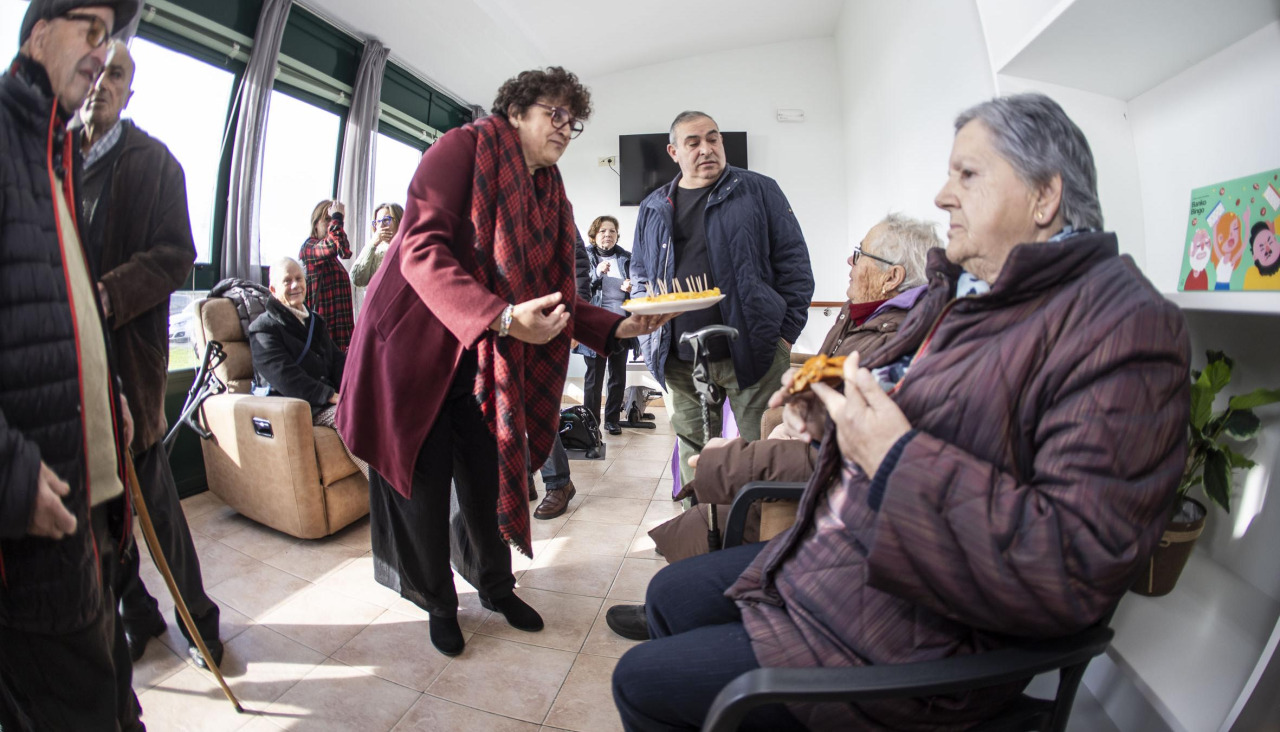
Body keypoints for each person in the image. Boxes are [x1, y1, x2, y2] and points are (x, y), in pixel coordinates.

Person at [611, 93, 1191, 732]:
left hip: (913, 624)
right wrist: (830, 415)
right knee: (669, 594)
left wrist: (893, 456)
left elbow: (1067, 569)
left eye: (967, 175)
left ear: (1044, 196)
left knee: (639, 680)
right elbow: (927, 419)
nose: (943, 196)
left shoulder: (1123, 329)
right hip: (850, 554)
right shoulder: (969, 298)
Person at [336, 67, 673, 658]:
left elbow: (551, 292)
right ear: (516, 112)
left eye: (574, 120)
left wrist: (615, 325)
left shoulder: (549, 190)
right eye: (554, 114)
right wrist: (503, 317)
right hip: (415, 351)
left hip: (485, 358)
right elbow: (420, 250)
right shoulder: (460, 149)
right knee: (422, 487)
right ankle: (438, 603)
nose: (565, 128)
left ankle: (494, 586)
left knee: (488, 479)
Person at [609, 214, 936, 624]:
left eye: (860, 254)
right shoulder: (862, 318)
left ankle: (685, 610)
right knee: (705, 518)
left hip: (824, 491)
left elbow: (846, 450)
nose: (849, 262)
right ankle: (685, 595)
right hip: (806, 454)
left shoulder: (899, 341)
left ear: (893, 277)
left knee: (717, 505)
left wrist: (732, 460)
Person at [0, 1, 145, 729]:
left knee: (113, 693)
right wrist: (7, 473)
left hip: (92, 501)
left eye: (109, 37)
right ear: (37, 31)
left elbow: (57, 303)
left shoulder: (55, 153)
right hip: (33, 520)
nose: (101, 50)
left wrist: (107, 392)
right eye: (89, 27)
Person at [76, 39, 225, 671]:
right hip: (67, 372)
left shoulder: (156, 163)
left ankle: (199, 622)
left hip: (128, 368)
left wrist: (106, 295)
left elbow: (176, 254)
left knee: (156, 507)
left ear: (128, 91)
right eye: (92, 72)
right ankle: (136, 613)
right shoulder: (51, 162)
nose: (100, 84)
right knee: (99, 513)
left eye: (114, 74)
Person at [631, 110, 814, 485]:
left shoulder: (759, 190)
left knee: (763, 453)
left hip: (754, 350)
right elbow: (640, 272)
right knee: (694, 454)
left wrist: (785, 335)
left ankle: (755, 520)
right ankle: (698, 520)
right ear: (674, 152)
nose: (706, 148)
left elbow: (794, 263)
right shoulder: (653, 205)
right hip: (679, 359)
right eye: (693, 142)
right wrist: (647, 331)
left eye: (713, 138)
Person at [249, 257, 368, 478]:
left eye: (299, 278)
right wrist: (330, 396)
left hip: (328, 399)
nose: (295, 285)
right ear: (273, 289)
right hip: (300, 407)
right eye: (287, 281)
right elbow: (286, 378)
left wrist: (358, 388)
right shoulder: (263, 329)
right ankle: (388, 490)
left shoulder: (315, 321)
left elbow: (338, 362)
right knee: (352, 416)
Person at [576, 215, 632, 435]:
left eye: (612, 231)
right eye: (603, 231)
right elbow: (580, 288)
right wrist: (597, 273)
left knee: (618, 376)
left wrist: (632, 287)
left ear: (617, 235)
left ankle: (612, 420)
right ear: (594, 235)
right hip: (595, 327)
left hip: (621, 325)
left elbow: (640, 285)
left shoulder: (626, 258)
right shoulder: (585, 256)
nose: (608, 234)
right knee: (594, 377)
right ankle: (591, 425)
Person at [300, 198, 354, 350]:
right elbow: (331, 245)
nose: (331, 224)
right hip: (322, 334)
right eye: (327, 220)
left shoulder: (333, 260)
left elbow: (345, 251)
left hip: (342, 335)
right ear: (315, 224)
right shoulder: (309, 247)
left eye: (333, 220)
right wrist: (337, 217)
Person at [352, 202, 403, 288]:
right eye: (377, 222)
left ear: (399, 221)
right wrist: (372, 244)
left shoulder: (409, 248)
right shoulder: (375, 250)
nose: (381, 226)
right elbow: (357, 279)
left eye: (386, 220)